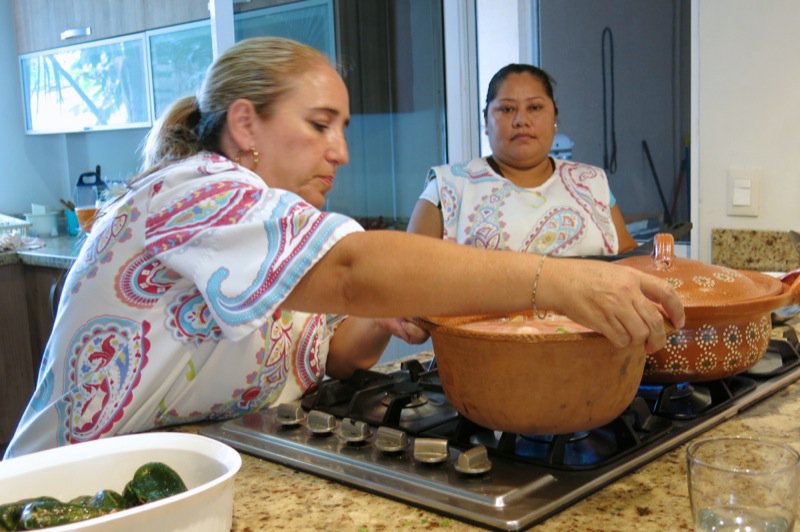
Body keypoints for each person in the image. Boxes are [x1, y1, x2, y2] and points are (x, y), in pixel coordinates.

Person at [4, 38, 683, 459]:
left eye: (343, 127)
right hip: (68, 498)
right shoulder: (191, 191)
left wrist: (390, 315)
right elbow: (356, 270)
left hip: (175, 487)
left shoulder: (272, 231)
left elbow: (327, 351)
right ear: (246, 124)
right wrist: (557, 282)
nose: (342, 151)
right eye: (320, 124)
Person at [408, 63, 638, 256]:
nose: (521, 120)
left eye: (535, 107)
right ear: (486, 122)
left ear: (554, 116)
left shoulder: (590, 183)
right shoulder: (447, 188)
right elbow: (408, 276)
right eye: (507, 109)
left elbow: (630, 260)